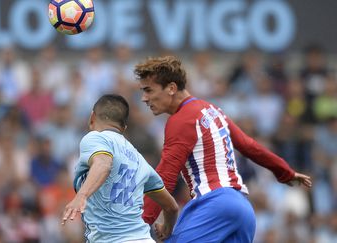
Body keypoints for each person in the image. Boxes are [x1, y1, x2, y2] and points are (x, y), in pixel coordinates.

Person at [133, 56, 312, 242]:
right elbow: (249, 146)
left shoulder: (180, 120)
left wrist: (140, 224)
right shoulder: (212, 110)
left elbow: (165, 178)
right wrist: (285, 171)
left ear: (171, 88)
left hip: (213, 205)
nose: (144, 98)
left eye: (148, 90)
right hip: (243, 210)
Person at [62, 94, 179, 243]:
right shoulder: (140, 160)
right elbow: (171, 207)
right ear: (124, 128)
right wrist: (167, 229)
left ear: (92, 117)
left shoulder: (95, 138)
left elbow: (103, 164)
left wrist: (82, 195)